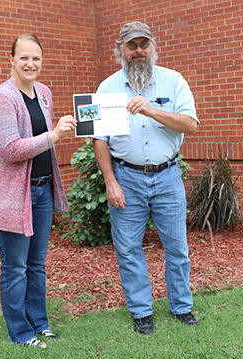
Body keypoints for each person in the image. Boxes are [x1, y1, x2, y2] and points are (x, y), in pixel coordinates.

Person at [92, 21, 200, 335]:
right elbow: (99, 139)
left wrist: (151, 110)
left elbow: (191, 125)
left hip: (167, 178)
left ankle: (181, 306)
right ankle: (141, 311)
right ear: (120, 50)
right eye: (131, 45)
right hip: (126, 178)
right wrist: (111, 182)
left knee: (177, 247)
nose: (138, 51)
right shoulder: (107, 88)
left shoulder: (173, 81)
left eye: (144, 44)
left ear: (152, 47)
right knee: (128, 249)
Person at [0, 34, 76, 348]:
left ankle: (40, 323)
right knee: (15, 267)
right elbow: (10, 150)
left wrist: (56, 133)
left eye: (36, 58)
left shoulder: (44, 94)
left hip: (42, 192)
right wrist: (53, 136)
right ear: (11, 60)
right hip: (11, 197)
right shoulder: (1, 98)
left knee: (36, 265)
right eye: (24, 57)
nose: (30, 64)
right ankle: (21, 333)